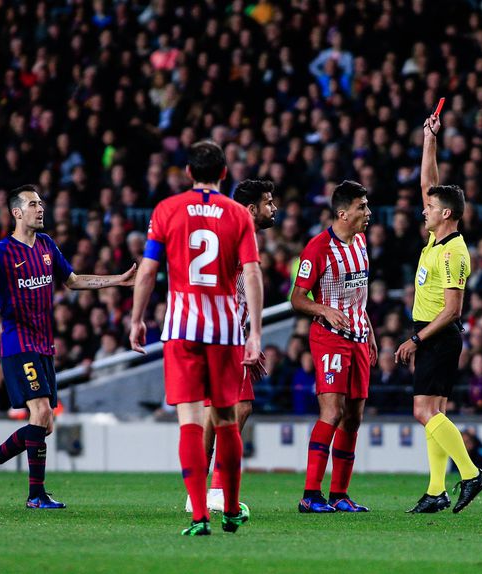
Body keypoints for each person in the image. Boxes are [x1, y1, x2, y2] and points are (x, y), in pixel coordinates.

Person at [0, 184, 136, 509]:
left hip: (44, 345)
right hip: (18, 343)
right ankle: (36, 495)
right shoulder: (0, 251)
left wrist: (117, 280)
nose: (40, 208)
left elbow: (74, 280)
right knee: (41, 412)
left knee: (45, 424)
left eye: (41, 203)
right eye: (33, 204)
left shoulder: (46, 245)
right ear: (17, 212)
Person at [129, 141, 263, 536]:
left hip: (182, 327)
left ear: (188, 172)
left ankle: (200, 515)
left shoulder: (167, 210)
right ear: (224, 173)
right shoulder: (238, 214)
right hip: (225, 330)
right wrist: (255, 332)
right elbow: (252, 273)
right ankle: (231, 509)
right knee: (227, 419)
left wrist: (137, 319)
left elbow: (148, 270)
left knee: (189, 420)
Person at [396, 112, 482, 515]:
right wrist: (430, 139)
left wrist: (416, 339)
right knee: (435, 413)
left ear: (446, 214)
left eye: (431, 207)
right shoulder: (436, 238)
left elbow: (453, 310)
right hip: (432, 334)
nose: (424, 210)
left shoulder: (453, 252)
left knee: (423, 412)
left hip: (437, 334)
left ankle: (471, 473)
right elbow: (427, 184)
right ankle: (436, 490)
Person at [186, 178, 277, 513]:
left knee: (217, 411)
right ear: (251, 209)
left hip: (220, 332)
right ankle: (216, 489)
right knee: (238, 408)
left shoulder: (226, 231)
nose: (274, 208)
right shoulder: (236, 236)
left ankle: (200, 491)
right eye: (268, 202)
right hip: (222, 334)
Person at [291, 180, 377, 513]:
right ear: (343, 214)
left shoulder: (362, 242)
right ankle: (310, 494)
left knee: (353, 417)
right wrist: (324, 310)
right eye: (361, 207)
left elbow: (358, 296)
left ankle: (339, 494)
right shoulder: (318, 248)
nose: (368, 213)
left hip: (359, 337)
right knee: (333, 412)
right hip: (330, 338)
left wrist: (369, 331)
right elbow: (297, 298)